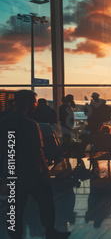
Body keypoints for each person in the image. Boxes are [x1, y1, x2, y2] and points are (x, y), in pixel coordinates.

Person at [0, 90, 70, 239]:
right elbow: (36, 149)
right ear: (27, 103)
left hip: (12, 169)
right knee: (45, 201)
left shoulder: (4, 122)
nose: (36, 104)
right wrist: (44, 169)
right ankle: (50, 230)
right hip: (30, 170)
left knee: (15, 206)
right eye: (34, 101)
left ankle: (14, 234)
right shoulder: (30, 124)